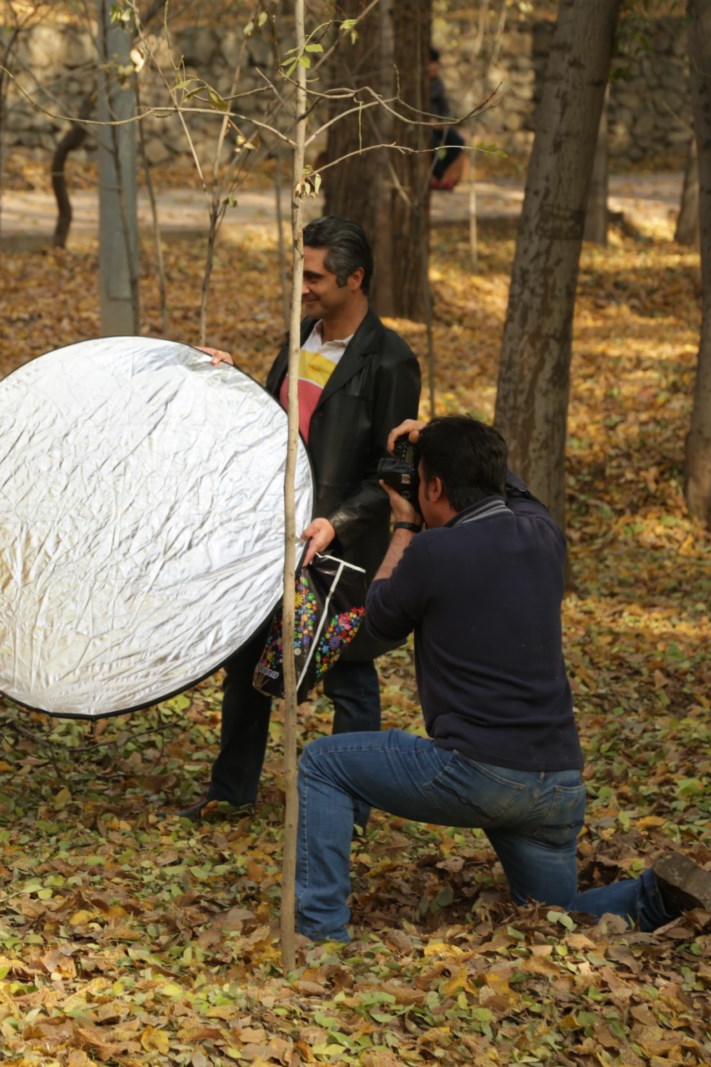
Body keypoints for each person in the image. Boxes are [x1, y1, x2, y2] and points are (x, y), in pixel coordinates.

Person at [294, 414, 711, 942]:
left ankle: (319, 932)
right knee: (553, 913)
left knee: (324, 762)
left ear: (433, 488)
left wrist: (404, 525)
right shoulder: (543, 531)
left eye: (422, 482)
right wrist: (442, 438)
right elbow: (507, 483)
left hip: (480, 774)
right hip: (558, 782)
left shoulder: (434, 552)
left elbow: (378, 619)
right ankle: (654, 898)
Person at [185, 216, 421, 819]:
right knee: (246, 662)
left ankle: (351, 813)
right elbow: (273, 427)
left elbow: (392, 472)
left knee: (348, 677)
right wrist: (231, 383)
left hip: (342, 546)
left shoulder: (390, 360)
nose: (303, 286)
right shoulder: (298, 340)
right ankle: (230, 793)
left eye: (314, 276)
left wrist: (338, 521)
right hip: (276, 535)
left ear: (354, 278)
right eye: (300, 273)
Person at [428, 47, 469, 191]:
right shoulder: (418, 85)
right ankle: (439, 177)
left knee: (458, 142)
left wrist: (443, 123)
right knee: (431, 143)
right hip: (424, 127)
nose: (434, 67)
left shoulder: (438, 84)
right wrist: (428, 122)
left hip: (439, 125)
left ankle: (439, 175)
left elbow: (445, 108)